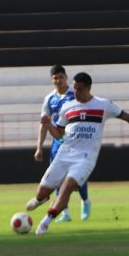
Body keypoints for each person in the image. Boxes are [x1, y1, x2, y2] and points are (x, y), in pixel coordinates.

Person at [26, 72, 129, 236]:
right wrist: (48, 125)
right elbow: (59, 134)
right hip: (64, 154)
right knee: (41, 192)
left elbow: (127, 117)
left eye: (79, 89)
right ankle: (42, 199)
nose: (75, 92)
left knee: (67, 187)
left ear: (88, 88)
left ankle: (46, 221)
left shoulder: (103, 104)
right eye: (74, 88)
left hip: (85, 157)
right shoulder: (67, 107)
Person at [33, 65, 92, 222]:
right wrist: (39, 147)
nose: (58, 80)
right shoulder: (49, 99)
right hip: (58, 143)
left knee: (77, 178)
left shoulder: (75, 95)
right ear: (51, 80)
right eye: (55, 78)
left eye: (60, 77)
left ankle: (85, 201)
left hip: (76, 141)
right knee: (58, 178)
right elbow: (44, 123)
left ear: (66, 77)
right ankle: (64, 213)